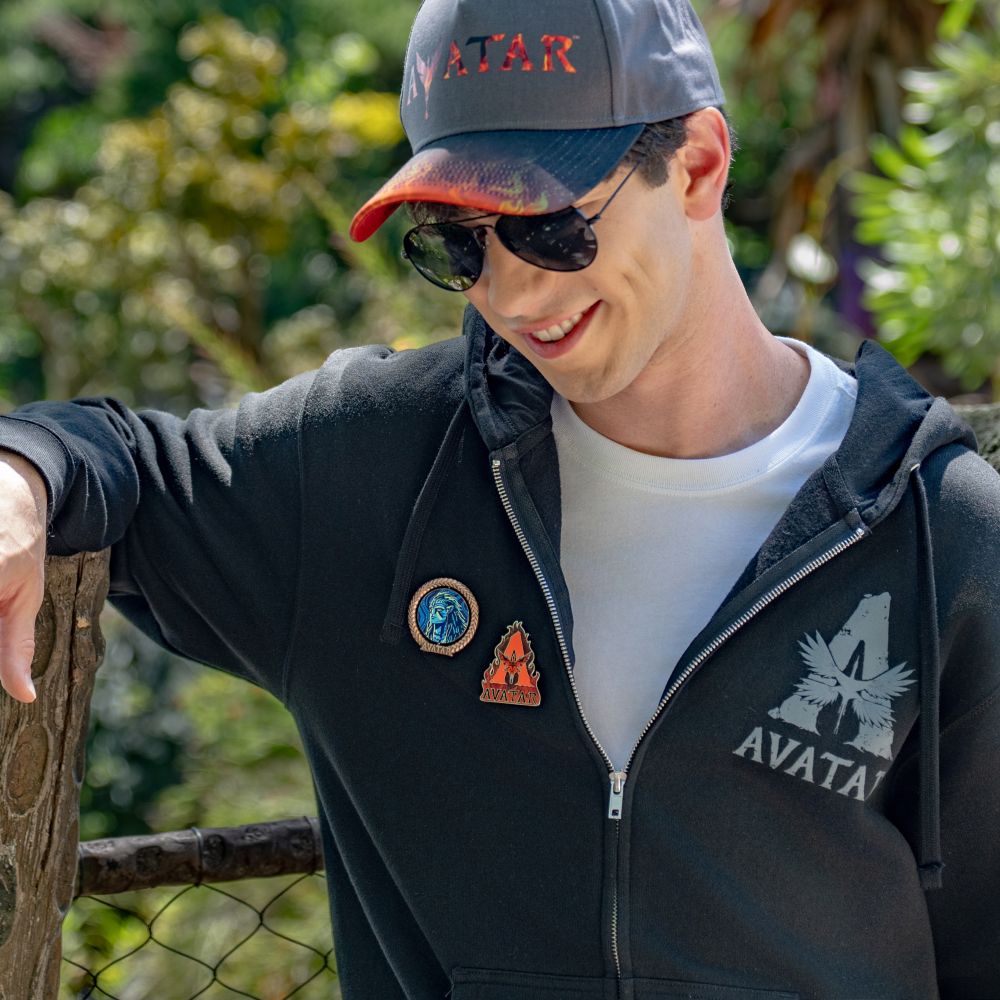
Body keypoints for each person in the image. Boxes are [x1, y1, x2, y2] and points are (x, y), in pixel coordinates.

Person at [1, 0, 998, 996]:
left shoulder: (941, 534)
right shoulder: (369, 467)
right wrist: (21, 476)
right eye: (459, 243)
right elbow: (118, 456)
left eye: (552, 226)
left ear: (696, 165)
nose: (512, 295)